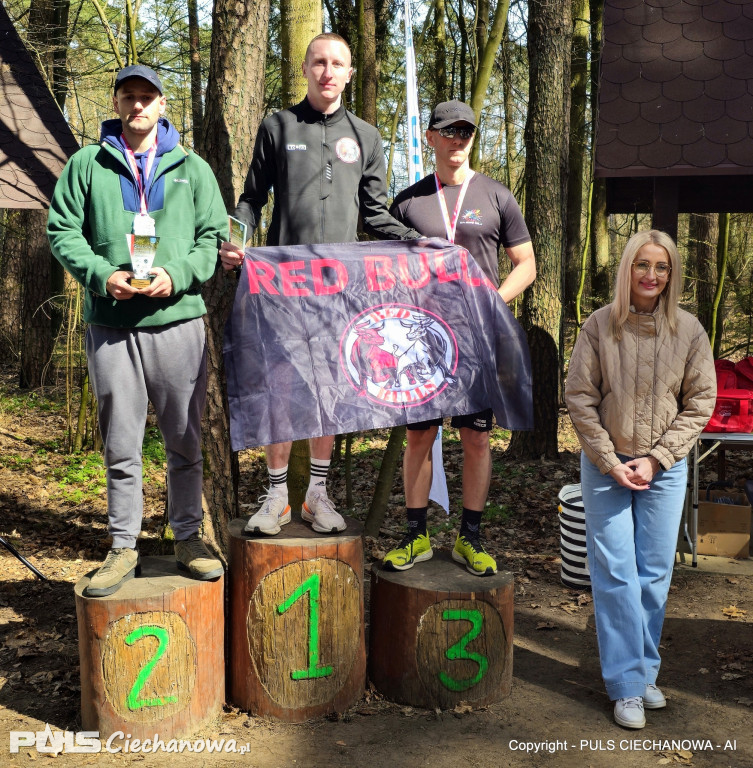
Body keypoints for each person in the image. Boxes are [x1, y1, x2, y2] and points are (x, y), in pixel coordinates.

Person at [219, 33, 421, 537]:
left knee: (331, 392)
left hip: (342, 292)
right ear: (305, 68)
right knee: (282, 390)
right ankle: (275, 497)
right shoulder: (278, 125)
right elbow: (250, 200)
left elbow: (375, 214)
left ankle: (317, 495)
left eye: (338, 64)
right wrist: (233, 240)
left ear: (350, 73)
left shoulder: (368, 137)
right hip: (283, 288)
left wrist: (417, 241)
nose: (327, 71)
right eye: (319, 62)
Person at [47, 64, 228, 597]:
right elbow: (62, 231)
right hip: (111, 325)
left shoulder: (191, 168)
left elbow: (212, 237)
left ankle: (189, 539)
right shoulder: (88, 164)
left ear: (163, 104)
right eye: (129, 97)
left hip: (178, 322)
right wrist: (103, 276)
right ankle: (123, 546)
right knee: (121, 443)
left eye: (147, 97)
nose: (138, 106)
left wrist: (177, 274)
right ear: (117, 102)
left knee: (184, 440)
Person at [565, 230, 715, 729]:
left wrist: (656, 459)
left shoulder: (690, 330)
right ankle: (626, 685)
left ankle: (644, 673)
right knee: (615, 575)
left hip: (664, 470)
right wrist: (610, 460)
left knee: (653, 576)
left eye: (663, 267)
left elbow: (700, 403)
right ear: (628, 268)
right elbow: (580, 398)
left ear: (671, 274)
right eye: (643, 265)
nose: (652, 275)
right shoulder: (599, 325)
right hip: (606, 466)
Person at [383, 99, 536, 576]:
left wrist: (492, 301)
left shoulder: (496, 196)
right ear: (429, 137)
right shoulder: (407, 202)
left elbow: (526, 263)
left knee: (475, 438)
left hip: (476, 341)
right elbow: (387, 271)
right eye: (448, 131)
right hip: (422, 340)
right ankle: (416, 537)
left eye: (466, 131)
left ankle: (470, 536)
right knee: (419, 436)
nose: (457, 139)